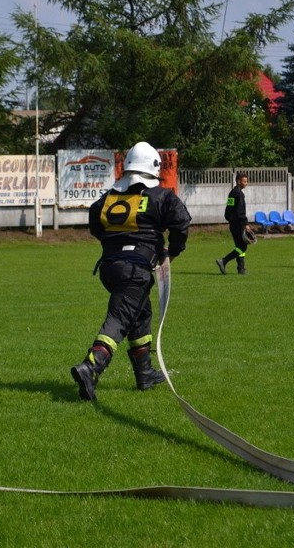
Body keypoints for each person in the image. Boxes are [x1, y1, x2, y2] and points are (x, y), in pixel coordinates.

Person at [70, 142, 191, 401]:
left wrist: (115, 244)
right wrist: (173, 250)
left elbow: (95, 225)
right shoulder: (161, 196)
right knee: (120, 318)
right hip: (136, 269)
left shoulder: (108, 198)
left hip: (110, 267)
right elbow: (182, 221)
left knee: (140, 313)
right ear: (153, 168)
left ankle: (144, 373)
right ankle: (91, 366)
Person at [216, 172, 253, 275]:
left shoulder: (232, 192)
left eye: (247, 181)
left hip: (233, 223)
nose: (246, 183)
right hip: (238, 224)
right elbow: (240, 211)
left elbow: (228, 209)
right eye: (244, 181)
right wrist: (245, 224)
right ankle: (223, 261)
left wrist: (230, 219)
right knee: (242, 247)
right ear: (238, 181)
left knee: (239, 245)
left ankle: (241, 269)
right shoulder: (239, 194)